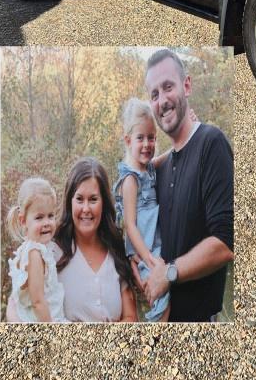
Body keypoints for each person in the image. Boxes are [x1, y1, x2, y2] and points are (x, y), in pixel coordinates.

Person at [142, 49, 234, 322]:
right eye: (154, 94)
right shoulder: (164, 166)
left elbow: (225, 241)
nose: (162, 101)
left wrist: (168, 273)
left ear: (187, 85)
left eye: (168, 87)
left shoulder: (211, 143)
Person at [53, 158, 138, 322]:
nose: (86, 209)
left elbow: (130, 318)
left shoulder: (116, 249)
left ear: (104, 203)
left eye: (93, 199)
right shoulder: (53, 251)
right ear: (69, 202)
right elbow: (21, 305)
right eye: (79, 199)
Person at [114, 98, 169, 322]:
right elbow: (130, 225)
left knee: (164, 295)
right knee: (161, 297)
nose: (147, 144)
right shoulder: (130, 180)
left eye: (151, 138)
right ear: (128, 140)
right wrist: (147, 258)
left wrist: (181, 144)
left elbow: (161, 159)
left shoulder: (148, 169)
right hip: (144, 247)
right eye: (140, 138)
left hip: (154, 244)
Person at [6, 177, 65, 323]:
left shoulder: (40, 248)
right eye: (39, 217)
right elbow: (37, 302)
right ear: (23, 220)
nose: (47, 223)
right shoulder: (34, 254)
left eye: (50, 216)